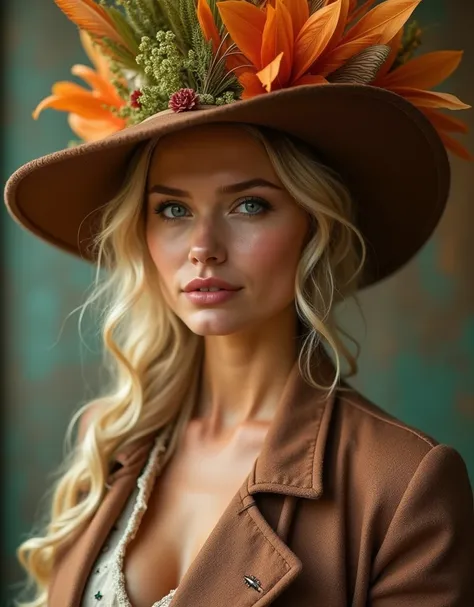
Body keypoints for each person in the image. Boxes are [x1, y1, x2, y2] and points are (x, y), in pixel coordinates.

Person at [4, 0, 474, 605]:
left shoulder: (404, 485)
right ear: (140, 234)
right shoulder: (113, 443)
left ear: (315, 225)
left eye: (250, 204)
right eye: (172, 209)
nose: (203, 249)